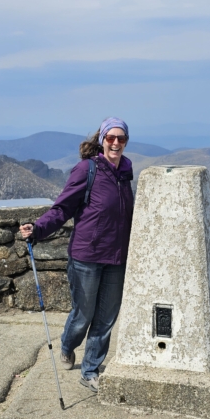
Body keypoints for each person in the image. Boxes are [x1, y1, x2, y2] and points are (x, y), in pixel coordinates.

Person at [19, 117, 135, 392]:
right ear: (102, 139)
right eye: (111, 138)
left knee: (106, 318)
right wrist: (37, 229)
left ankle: (90, 370)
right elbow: (62, 208)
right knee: (83, 314)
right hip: (87, 256)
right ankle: (68, 344)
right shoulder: (87, 169)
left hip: (116, 259)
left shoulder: (125, 174)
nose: (116, 143)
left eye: (121, 138)